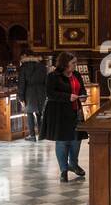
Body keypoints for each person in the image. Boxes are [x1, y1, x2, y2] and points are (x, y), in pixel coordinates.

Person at [40, 52, 87, 181]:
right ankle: (63, 170)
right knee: (62, 140)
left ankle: (73, 164)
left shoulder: (76, 75)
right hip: (59, 112)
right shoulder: (53, 76)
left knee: (76, 139)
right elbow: (50, 93)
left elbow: (82, 88)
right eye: (73, 63)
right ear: (65, 64)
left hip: (75, 111)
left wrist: (83, 95)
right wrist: (67, 97)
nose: (75, 65)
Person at [17, 52, 47, 141]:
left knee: (29, 113)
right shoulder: (42, 66)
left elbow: (21, 83)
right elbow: (46, 80)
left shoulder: (23, 67)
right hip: (41, 91)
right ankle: (41, 134)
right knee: (39, 112)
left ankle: (32, 135)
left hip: (29, 92)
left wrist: (21, 97)